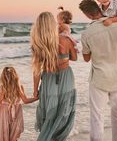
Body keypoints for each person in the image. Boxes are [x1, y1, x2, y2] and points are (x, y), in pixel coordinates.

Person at [79, 0, 117, 141]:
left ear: (87, 15)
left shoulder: (87, 33)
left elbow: (86, 58)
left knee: (97, 116)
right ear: (99, 8)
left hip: (99, 80)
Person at [31, 11, 77, 141]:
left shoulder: (38, 44)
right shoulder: (65, 39)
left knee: (49, 111)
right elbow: (74, 57)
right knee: (64, 110)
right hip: (66, 76)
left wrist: (35, 91)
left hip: (48, 79)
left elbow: (36, 71)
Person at [0, 66, 38, 141]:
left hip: (4, 113)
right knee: (14, 136)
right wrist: (37, 98)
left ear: (3, 76)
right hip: (16, 113)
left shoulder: (3, 87)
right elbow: (25, 101)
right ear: (15, 75)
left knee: (4, 134)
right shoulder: (19, 87)